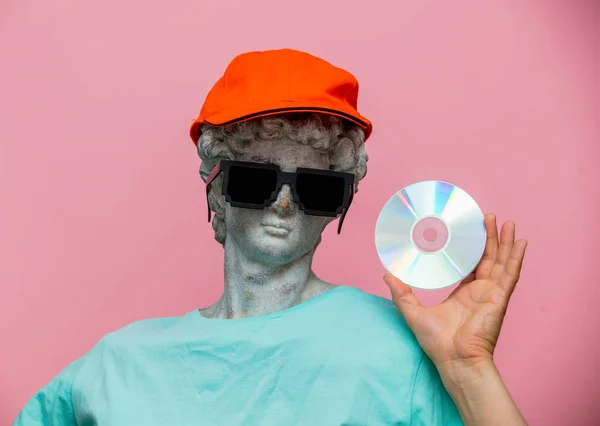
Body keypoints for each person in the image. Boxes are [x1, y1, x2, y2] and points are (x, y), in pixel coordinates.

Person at [13, 49, 528, 425]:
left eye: (316, 186)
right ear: (216, 190)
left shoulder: (405, 349)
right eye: (256, 179)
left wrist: (468, 369)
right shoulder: (117, 363)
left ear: (339, 206)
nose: (284, 203)